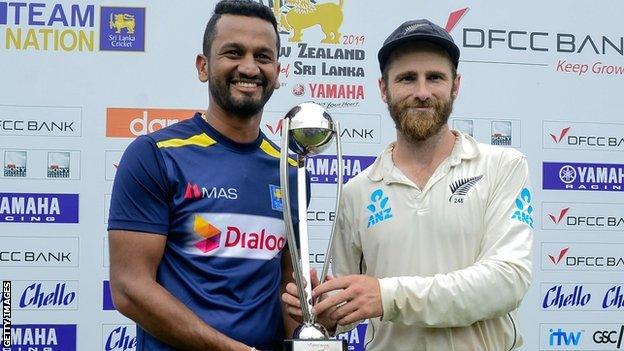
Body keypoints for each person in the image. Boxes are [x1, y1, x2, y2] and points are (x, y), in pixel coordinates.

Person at [283, 19, 534, 350]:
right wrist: (325, 313)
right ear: (383, 89)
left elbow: (507, 282)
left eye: (435, 78)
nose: (422, 92)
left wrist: (387, 296)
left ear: (455, 85)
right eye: (406, 79)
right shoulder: (357, 191)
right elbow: (351, 306)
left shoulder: (502, 167)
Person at [107, 1, 300, 350]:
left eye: (263, 56)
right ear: (203, 66)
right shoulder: (155, 155)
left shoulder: (289, 168)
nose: (249, 67)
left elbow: (288, 283)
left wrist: (308, 331)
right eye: (233, 52)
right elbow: (128, 288)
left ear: (277, 71)